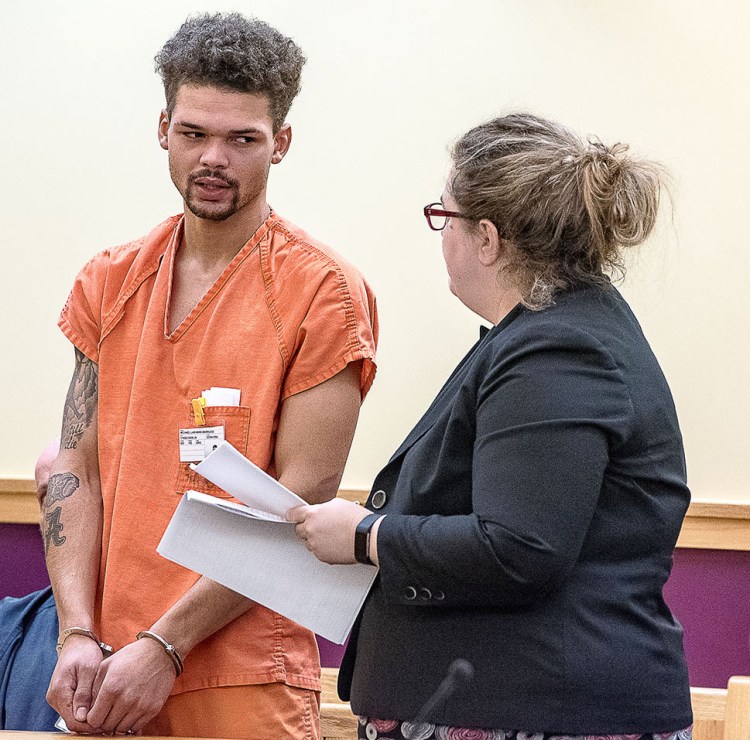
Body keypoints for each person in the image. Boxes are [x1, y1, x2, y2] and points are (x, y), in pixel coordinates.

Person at [288, 113, 693, 739]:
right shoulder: (550, 332)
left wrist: (368, 535)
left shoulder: (557, 347)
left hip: (533, 707)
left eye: (442, 216)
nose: (440, 236)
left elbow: (520, 548)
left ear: (487, 238)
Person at [43, 12, 377, 739]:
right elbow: (74, 465)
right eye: (194, 134)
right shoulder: (109, 280)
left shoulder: (323, 292)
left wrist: (167, 643)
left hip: (241, 668)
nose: (214, 158)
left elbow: (302, 499)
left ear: (280, 143)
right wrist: (76, 633)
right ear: (162, 127)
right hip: (108, 666)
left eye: (242, 139)